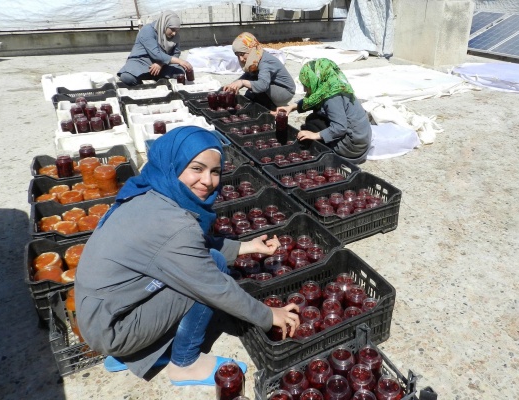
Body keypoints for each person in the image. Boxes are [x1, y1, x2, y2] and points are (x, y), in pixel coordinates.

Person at [74, 126, 299, 385]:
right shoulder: (173, 225)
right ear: (174, 164)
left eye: (215, 171)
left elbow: (186, 248)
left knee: (202, 264)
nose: (208, 180)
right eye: (197, 168)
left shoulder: (149, 192)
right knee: (210, 272)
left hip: (103, 312)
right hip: (112, 328)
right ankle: (185, 363)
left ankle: (135, 353)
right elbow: (213, 286)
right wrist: (269, 315)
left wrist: (246, 247)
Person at [275, 58, 372, 164]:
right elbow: (314, 99)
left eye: (306, 85)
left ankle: (325, 150)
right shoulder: (334, 85)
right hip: (361, 141)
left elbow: (340, 127)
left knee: (313, 121)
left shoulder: (332, 98)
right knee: (317, 115)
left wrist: (314, 135)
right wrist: (291, 107)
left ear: (315, 80)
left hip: (351, 148)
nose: (304, 90)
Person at [223, 32, 296, 110]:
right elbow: (248, 75)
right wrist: (233, 85)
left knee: (254, 86)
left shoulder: (265, 61)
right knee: (251, 87)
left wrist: (242, 82)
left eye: (242, 54)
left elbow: (262, 85)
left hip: (285, 92)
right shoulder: (256, 58)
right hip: (271, 85)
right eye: (237, 55)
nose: (241, 59)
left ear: (251, 49)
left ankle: (270, 107)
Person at [117, 11, 193, 86]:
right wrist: (180, 61)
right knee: (127, 78)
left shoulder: (174, 36)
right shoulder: (147, 30)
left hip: (161, 65)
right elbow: (156, 54)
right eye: (172, 29)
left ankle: (159, 78)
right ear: (165, 24)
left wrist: (160, 64)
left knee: (180, 72)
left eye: (176, 30)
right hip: (142, 62)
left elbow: (176, 53)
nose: (174, 33)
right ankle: (144, 84)